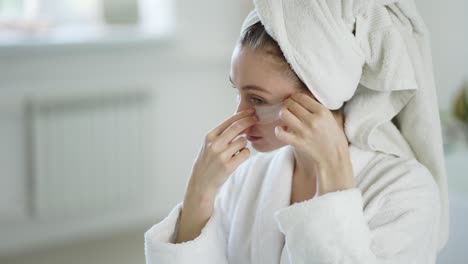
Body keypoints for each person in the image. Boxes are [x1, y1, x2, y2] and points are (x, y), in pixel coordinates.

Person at [144, 1, 448, 263]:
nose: (239, 116)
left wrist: (334, 175)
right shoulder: (248, 178)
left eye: (258, 99)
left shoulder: (407, 192)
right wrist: (199, 192)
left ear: (318, 95)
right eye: (237, 92)